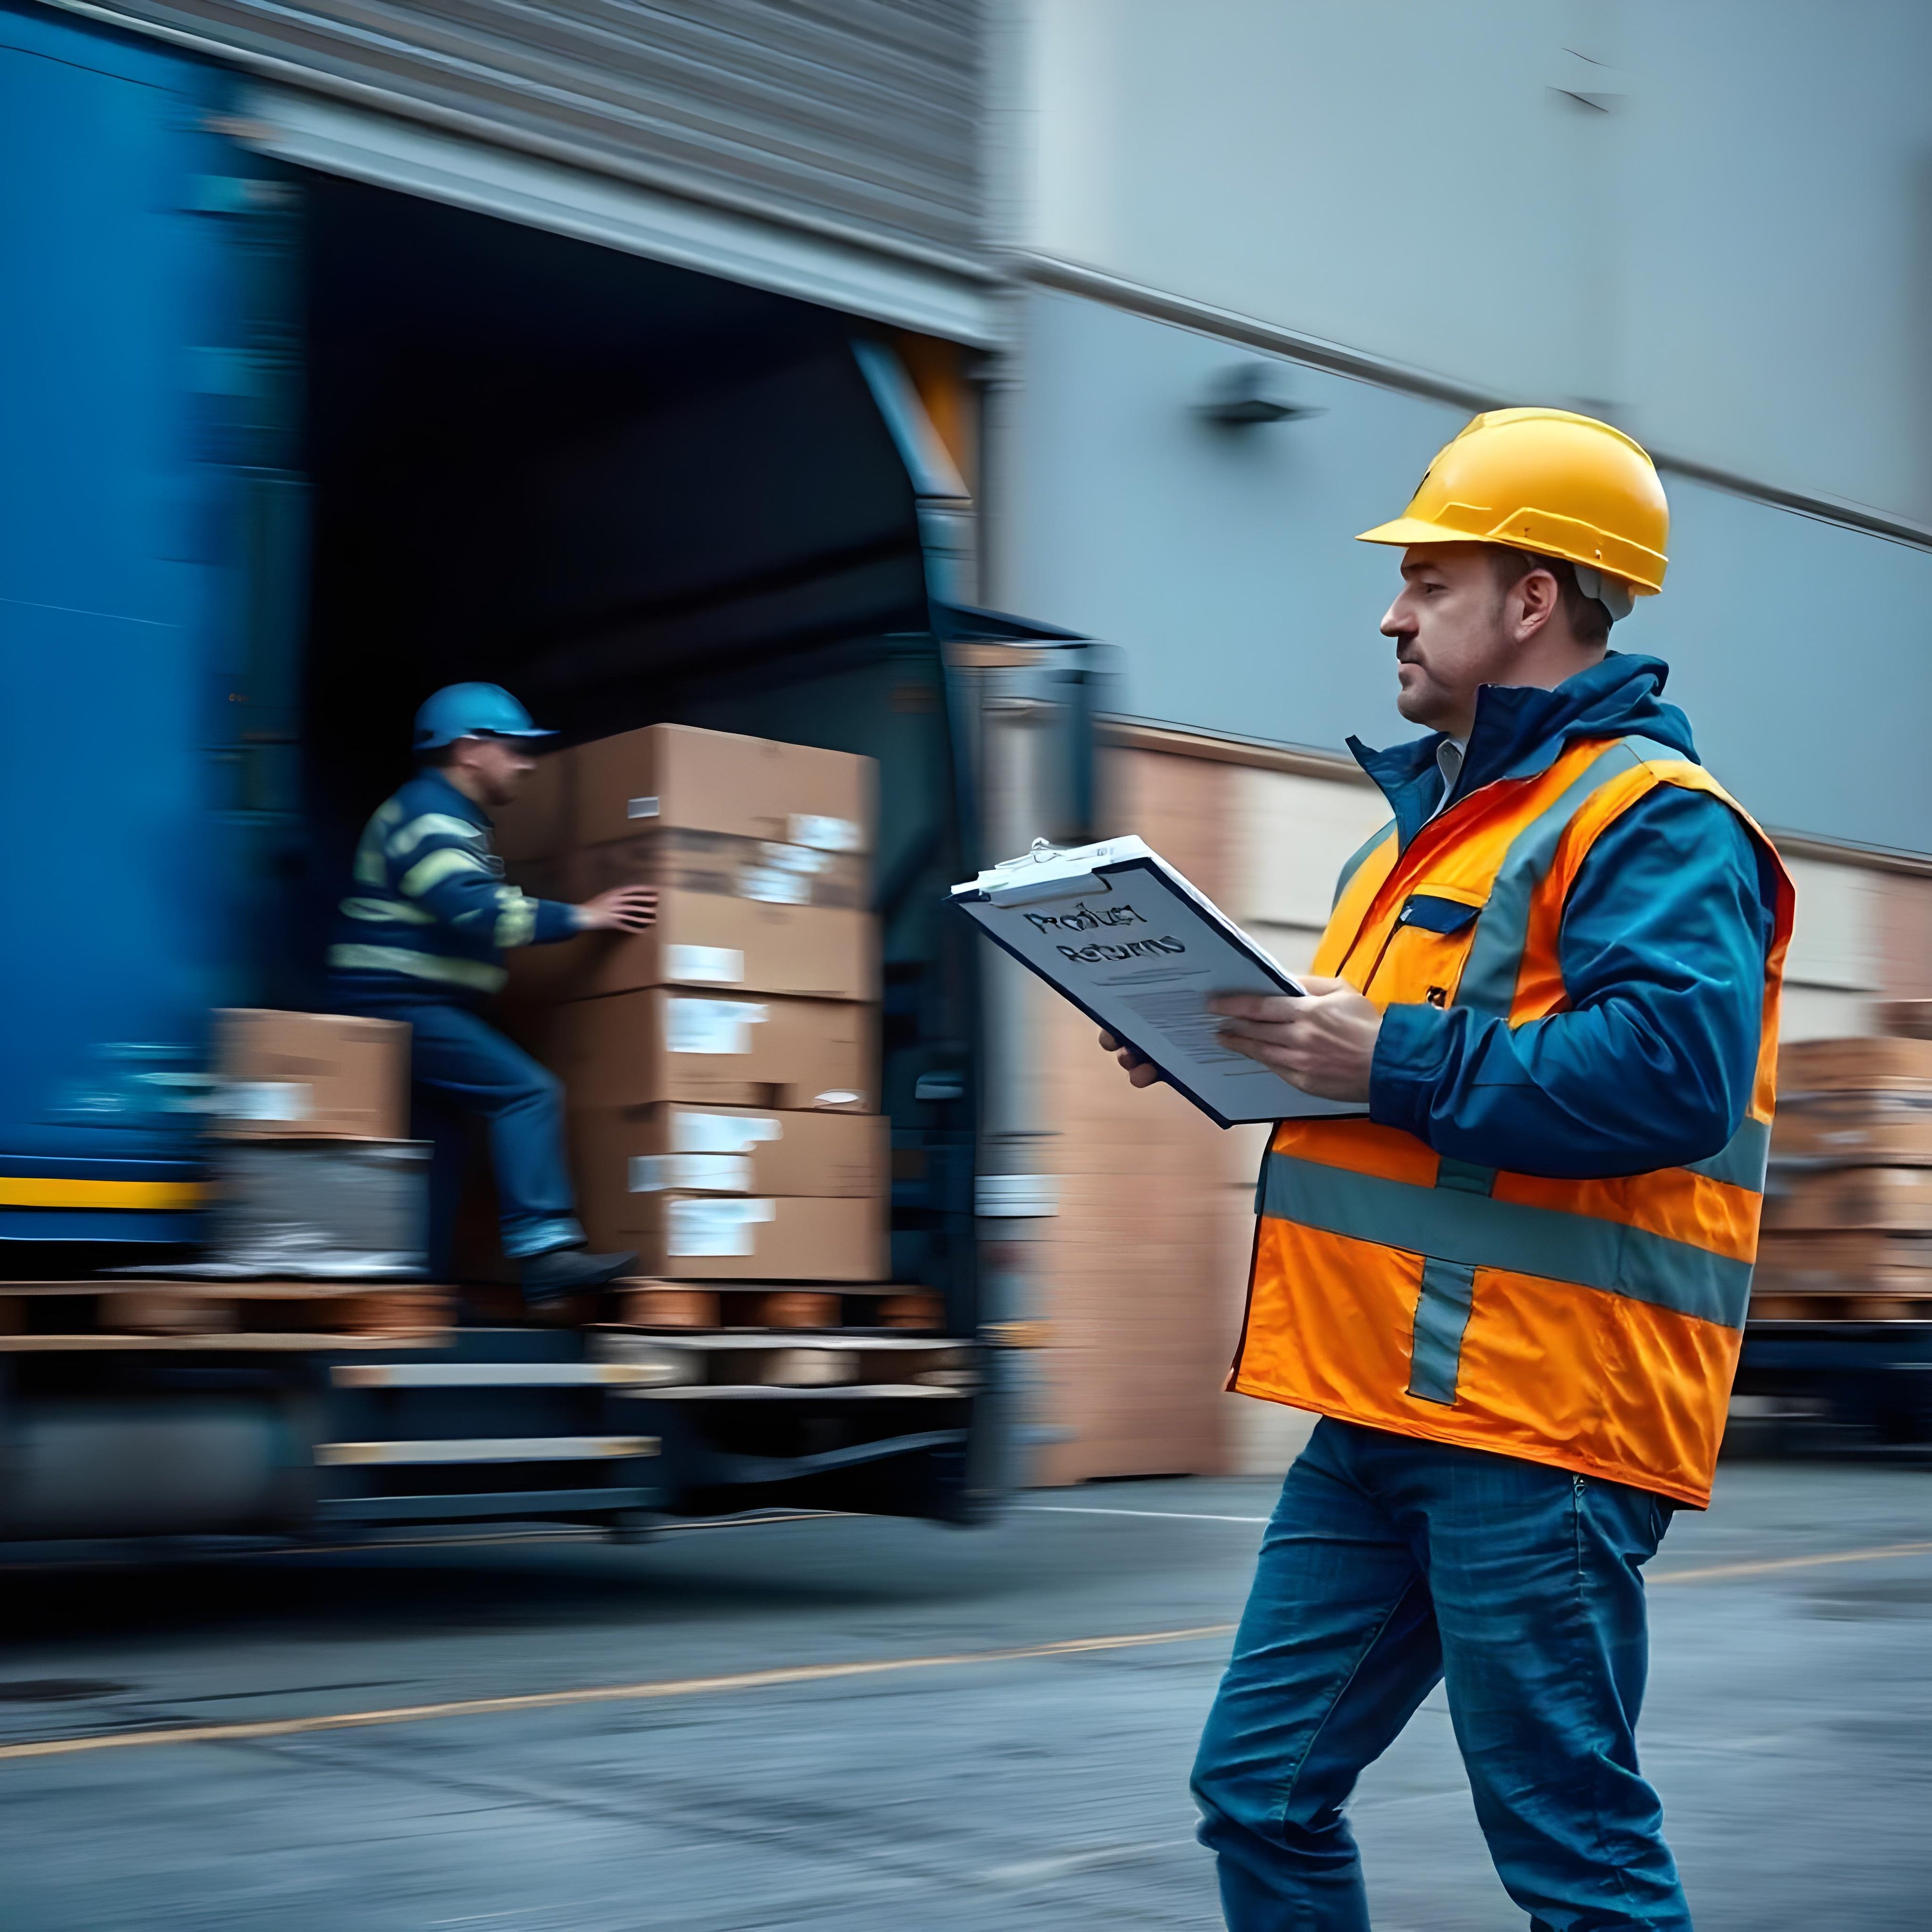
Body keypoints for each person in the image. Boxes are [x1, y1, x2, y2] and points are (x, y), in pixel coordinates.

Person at [1103, 409, 1793, 1929]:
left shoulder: (1652, 824)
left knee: (1570, 1849)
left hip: (1536, 1417)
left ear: (1530, 595)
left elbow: (1666, 1080)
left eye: (1424, 576)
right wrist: (1222, 1048)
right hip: (1374, 1408)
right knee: (1259, 1791)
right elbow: (1386, 1074)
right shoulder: (1405, 844)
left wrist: (1381, 1060)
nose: (1388, 610)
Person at [327, 682, 655, 1306]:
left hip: (415, 1007)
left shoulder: (450, 821)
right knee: (527, 1092)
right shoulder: (428, 816)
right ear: (470, 750)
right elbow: (475, 911)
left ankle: (412, 1288)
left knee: (441, 1148)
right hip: (394, 1005)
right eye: (516, 748)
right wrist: (584, 918)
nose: (528, 763)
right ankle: (545, 1253)